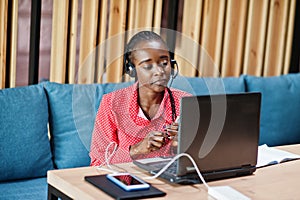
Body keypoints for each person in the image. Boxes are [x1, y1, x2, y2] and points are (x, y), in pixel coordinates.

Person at [89, 31, 190, 166]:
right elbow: (98, 163)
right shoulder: (111, 103)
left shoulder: (185, 102)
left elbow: (198, 160)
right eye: (148, 66)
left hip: (167, 184)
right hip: (124, 184)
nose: (159, 71)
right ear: (131, 70)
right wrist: (136, 149)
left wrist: (181, 147)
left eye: (164, 63)